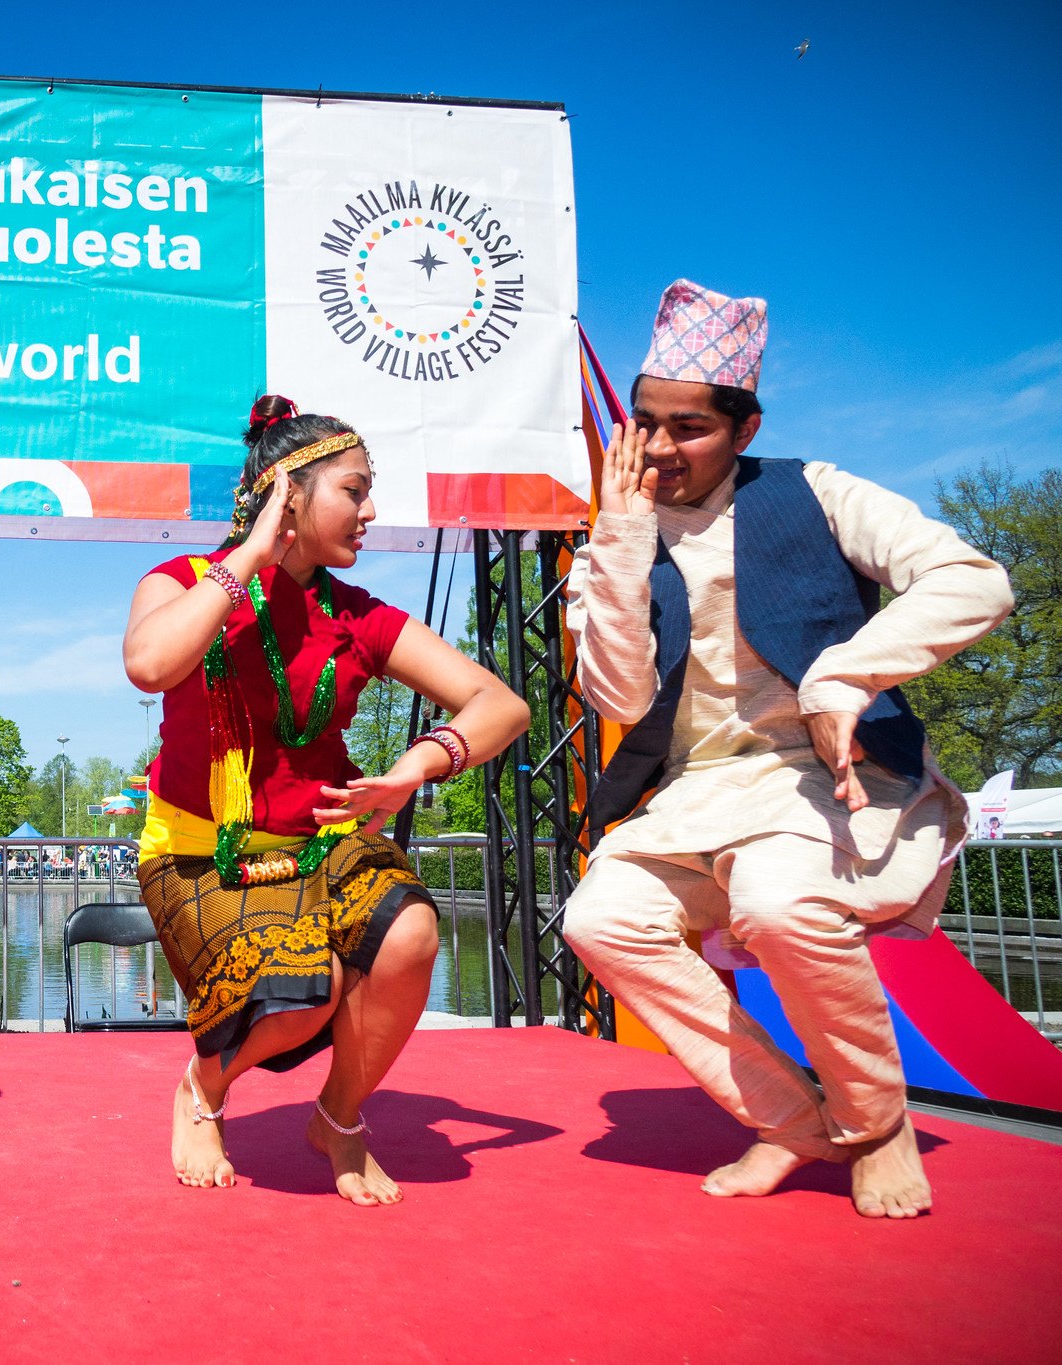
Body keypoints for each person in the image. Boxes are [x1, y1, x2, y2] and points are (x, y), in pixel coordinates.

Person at [562, 280, 1015, 1218]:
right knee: (600, 922)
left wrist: (847, 674)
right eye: (645, 422)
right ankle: (791, 1120)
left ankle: (878, 1123)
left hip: (829, 778)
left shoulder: (815, 491)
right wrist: (618, 542)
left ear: (744, 425)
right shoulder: (617, 533)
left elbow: (975, 583)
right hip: (699, 792)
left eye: (687, 427)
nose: (656, 448)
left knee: (777, 901)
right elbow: (616, 695)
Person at [123, 395, 530, 1205]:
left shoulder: (357, 615)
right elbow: (149, 662)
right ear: (289, 495)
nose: (371, 510)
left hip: (322, 841)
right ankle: (203, 1091)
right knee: (303, 995)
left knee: (410, 930)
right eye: (355, 488)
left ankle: (338, 1117)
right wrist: (245, 557)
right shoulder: (181, 583)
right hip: (206, 851)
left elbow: (502, 705)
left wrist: (418, 764)